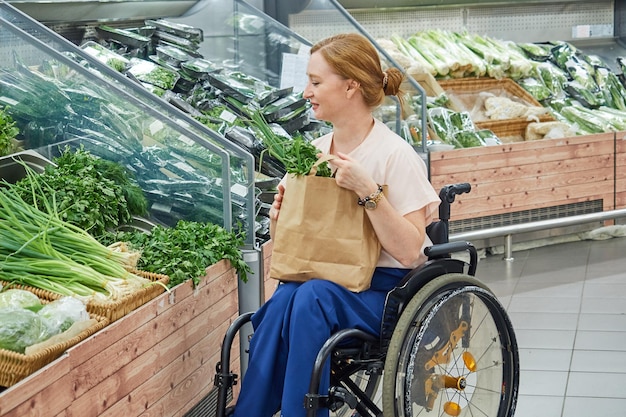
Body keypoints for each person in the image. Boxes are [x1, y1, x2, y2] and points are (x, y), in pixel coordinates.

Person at [230, 33, 440, 417]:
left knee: (308, 296)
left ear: (350, 86)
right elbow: (300, 252)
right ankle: (251, 412)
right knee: (286, 296)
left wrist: (368, 191)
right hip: (322, 282)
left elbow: (412, 252)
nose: (306, 92)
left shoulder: (395, 155)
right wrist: (280, 220)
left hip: (384, 293)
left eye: (315, 81)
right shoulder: (314, 154)